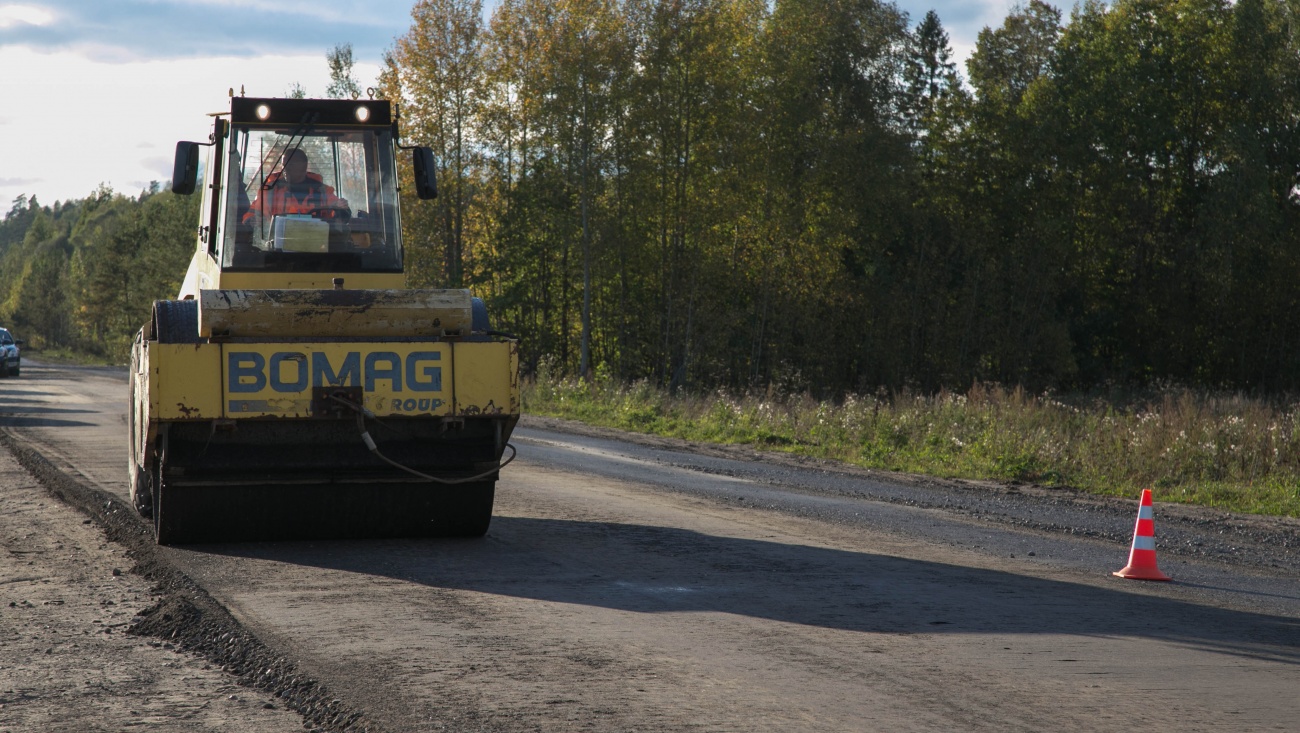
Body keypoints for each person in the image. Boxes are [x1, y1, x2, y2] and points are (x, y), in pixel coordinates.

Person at [244, 148, 349, 225]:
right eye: (284, 165)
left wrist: (341, 207)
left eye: (291, 164)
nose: (286, 169)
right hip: (276, 249)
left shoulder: (322, 191)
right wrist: (252, 221)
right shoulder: (269, 191)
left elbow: (340, 211)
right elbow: (250, 216)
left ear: (304, 166)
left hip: (316, 247)